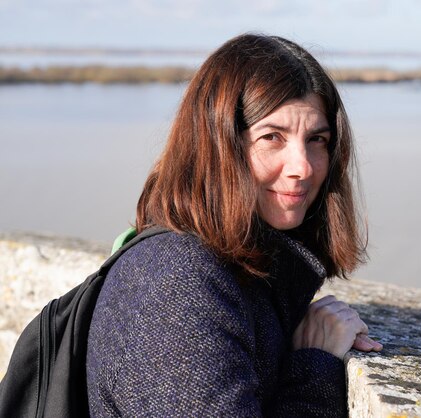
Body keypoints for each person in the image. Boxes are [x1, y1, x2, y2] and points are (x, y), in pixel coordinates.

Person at [86, 33, 382, 417]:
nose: (303, 167)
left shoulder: (240, 267)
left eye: (317, 139)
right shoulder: (178, 281)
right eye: (272, 137)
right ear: (217, 145)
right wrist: (314, 366)